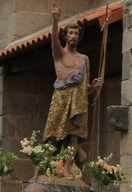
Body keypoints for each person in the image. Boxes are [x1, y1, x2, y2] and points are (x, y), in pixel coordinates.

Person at [43, 6, 102, 178]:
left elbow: (84, 87)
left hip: (78, 101)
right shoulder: (59, 53)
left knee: (74, 138)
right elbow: (53, 40)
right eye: (71, 33)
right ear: (65, 35)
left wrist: (92, 86)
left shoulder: (84, 59)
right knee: (54, 134)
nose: (73, 36)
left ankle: (66, 168)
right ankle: (49, 164)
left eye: (76, 34)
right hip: (61, 97)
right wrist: (55, 20)